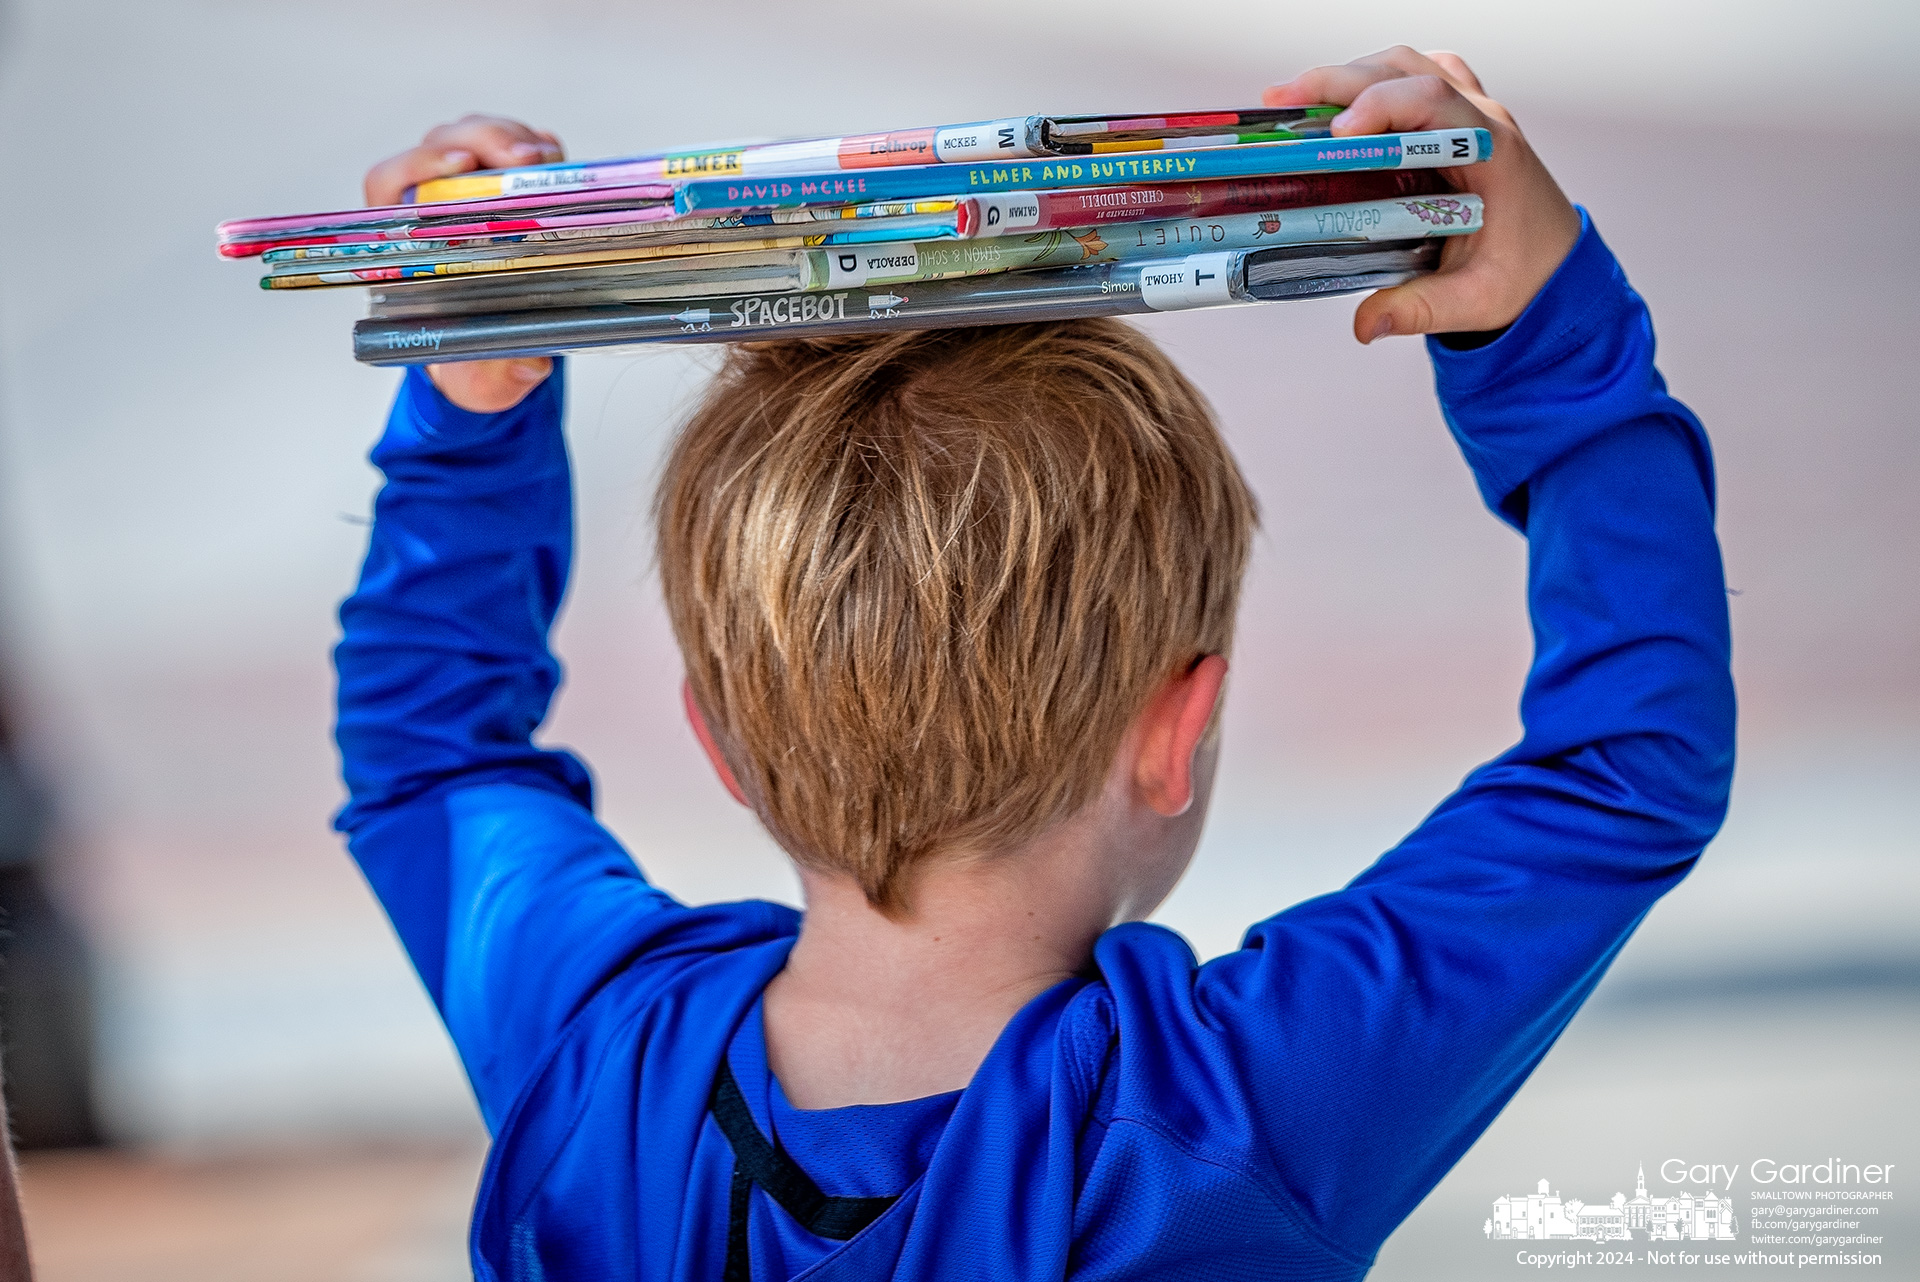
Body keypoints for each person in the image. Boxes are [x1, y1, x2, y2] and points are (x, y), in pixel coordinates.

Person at [335, 48, 1735, 1281]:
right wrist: (1550, 332)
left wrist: (470, 394)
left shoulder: (593, 1051)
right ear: (1175, 730)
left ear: (720, 738)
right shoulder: (1235, 1110)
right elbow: (1623, 776)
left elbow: (433, 763)